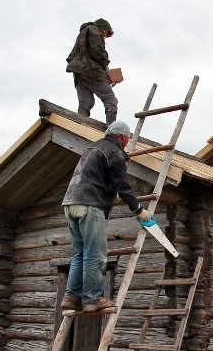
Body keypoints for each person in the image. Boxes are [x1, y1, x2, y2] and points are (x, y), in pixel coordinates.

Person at [61, 120, 152, 312]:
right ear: (121, 137)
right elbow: (121, 184)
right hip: (90, 205)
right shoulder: (115, 151)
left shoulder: (91, 148)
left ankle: (71, 297)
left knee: (79, 253)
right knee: (95, 253)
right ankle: (92, 299)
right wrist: (138, 209)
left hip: (70, 203)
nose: (127, 143)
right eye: (127, 139)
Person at [66, 18, 119, 124]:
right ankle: (111, 132)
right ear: (103, 28)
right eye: (105, 35)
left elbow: (70, 57)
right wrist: (106, 70)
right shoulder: (94, 29)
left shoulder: (82, 35)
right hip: (90, 70)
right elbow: (98, 51)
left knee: (86, 102)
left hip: (78, 72)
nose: (104, 37)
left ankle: (80, 125)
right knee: (110, 100)